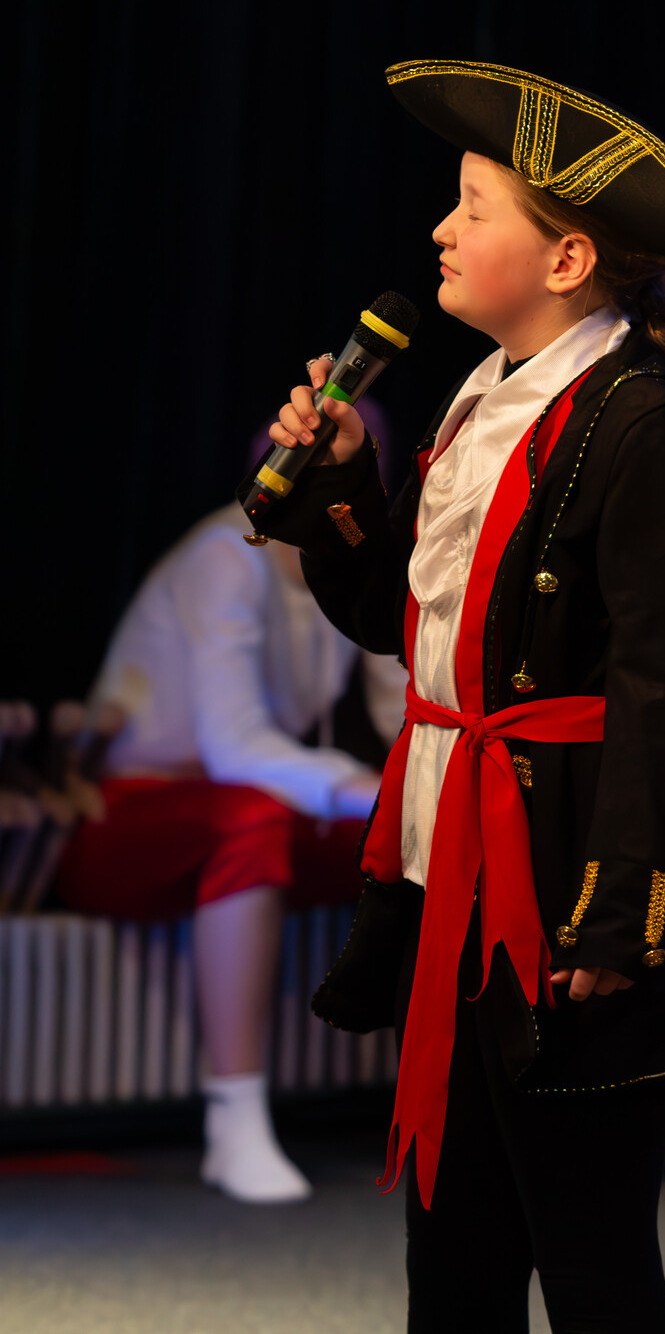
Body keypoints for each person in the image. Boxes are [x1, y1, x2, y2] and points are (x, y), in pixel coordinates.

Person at [249, 58, 665, 1333]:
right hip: (450, 878)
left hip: (563, 897)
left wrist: (622, 915)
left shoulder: (648, 425)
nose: (441, 229)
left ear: (568, 259)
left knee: (591, 1267)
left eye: (474, 208)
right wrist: (339, 483)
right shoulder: (482, 402)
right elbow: (400, 621)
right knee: (456, 1259)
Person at [55, 490, 408, 1203]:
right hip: (129, 809)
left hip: (254, 796)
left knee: (413, 836)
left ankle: (439, 1098)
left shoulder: (355, 561)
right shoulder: (227, 556)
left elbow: (401, 701)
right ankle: (234, 1113)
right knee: (255, 821)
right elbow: (233, 745)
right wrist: (363, 791)